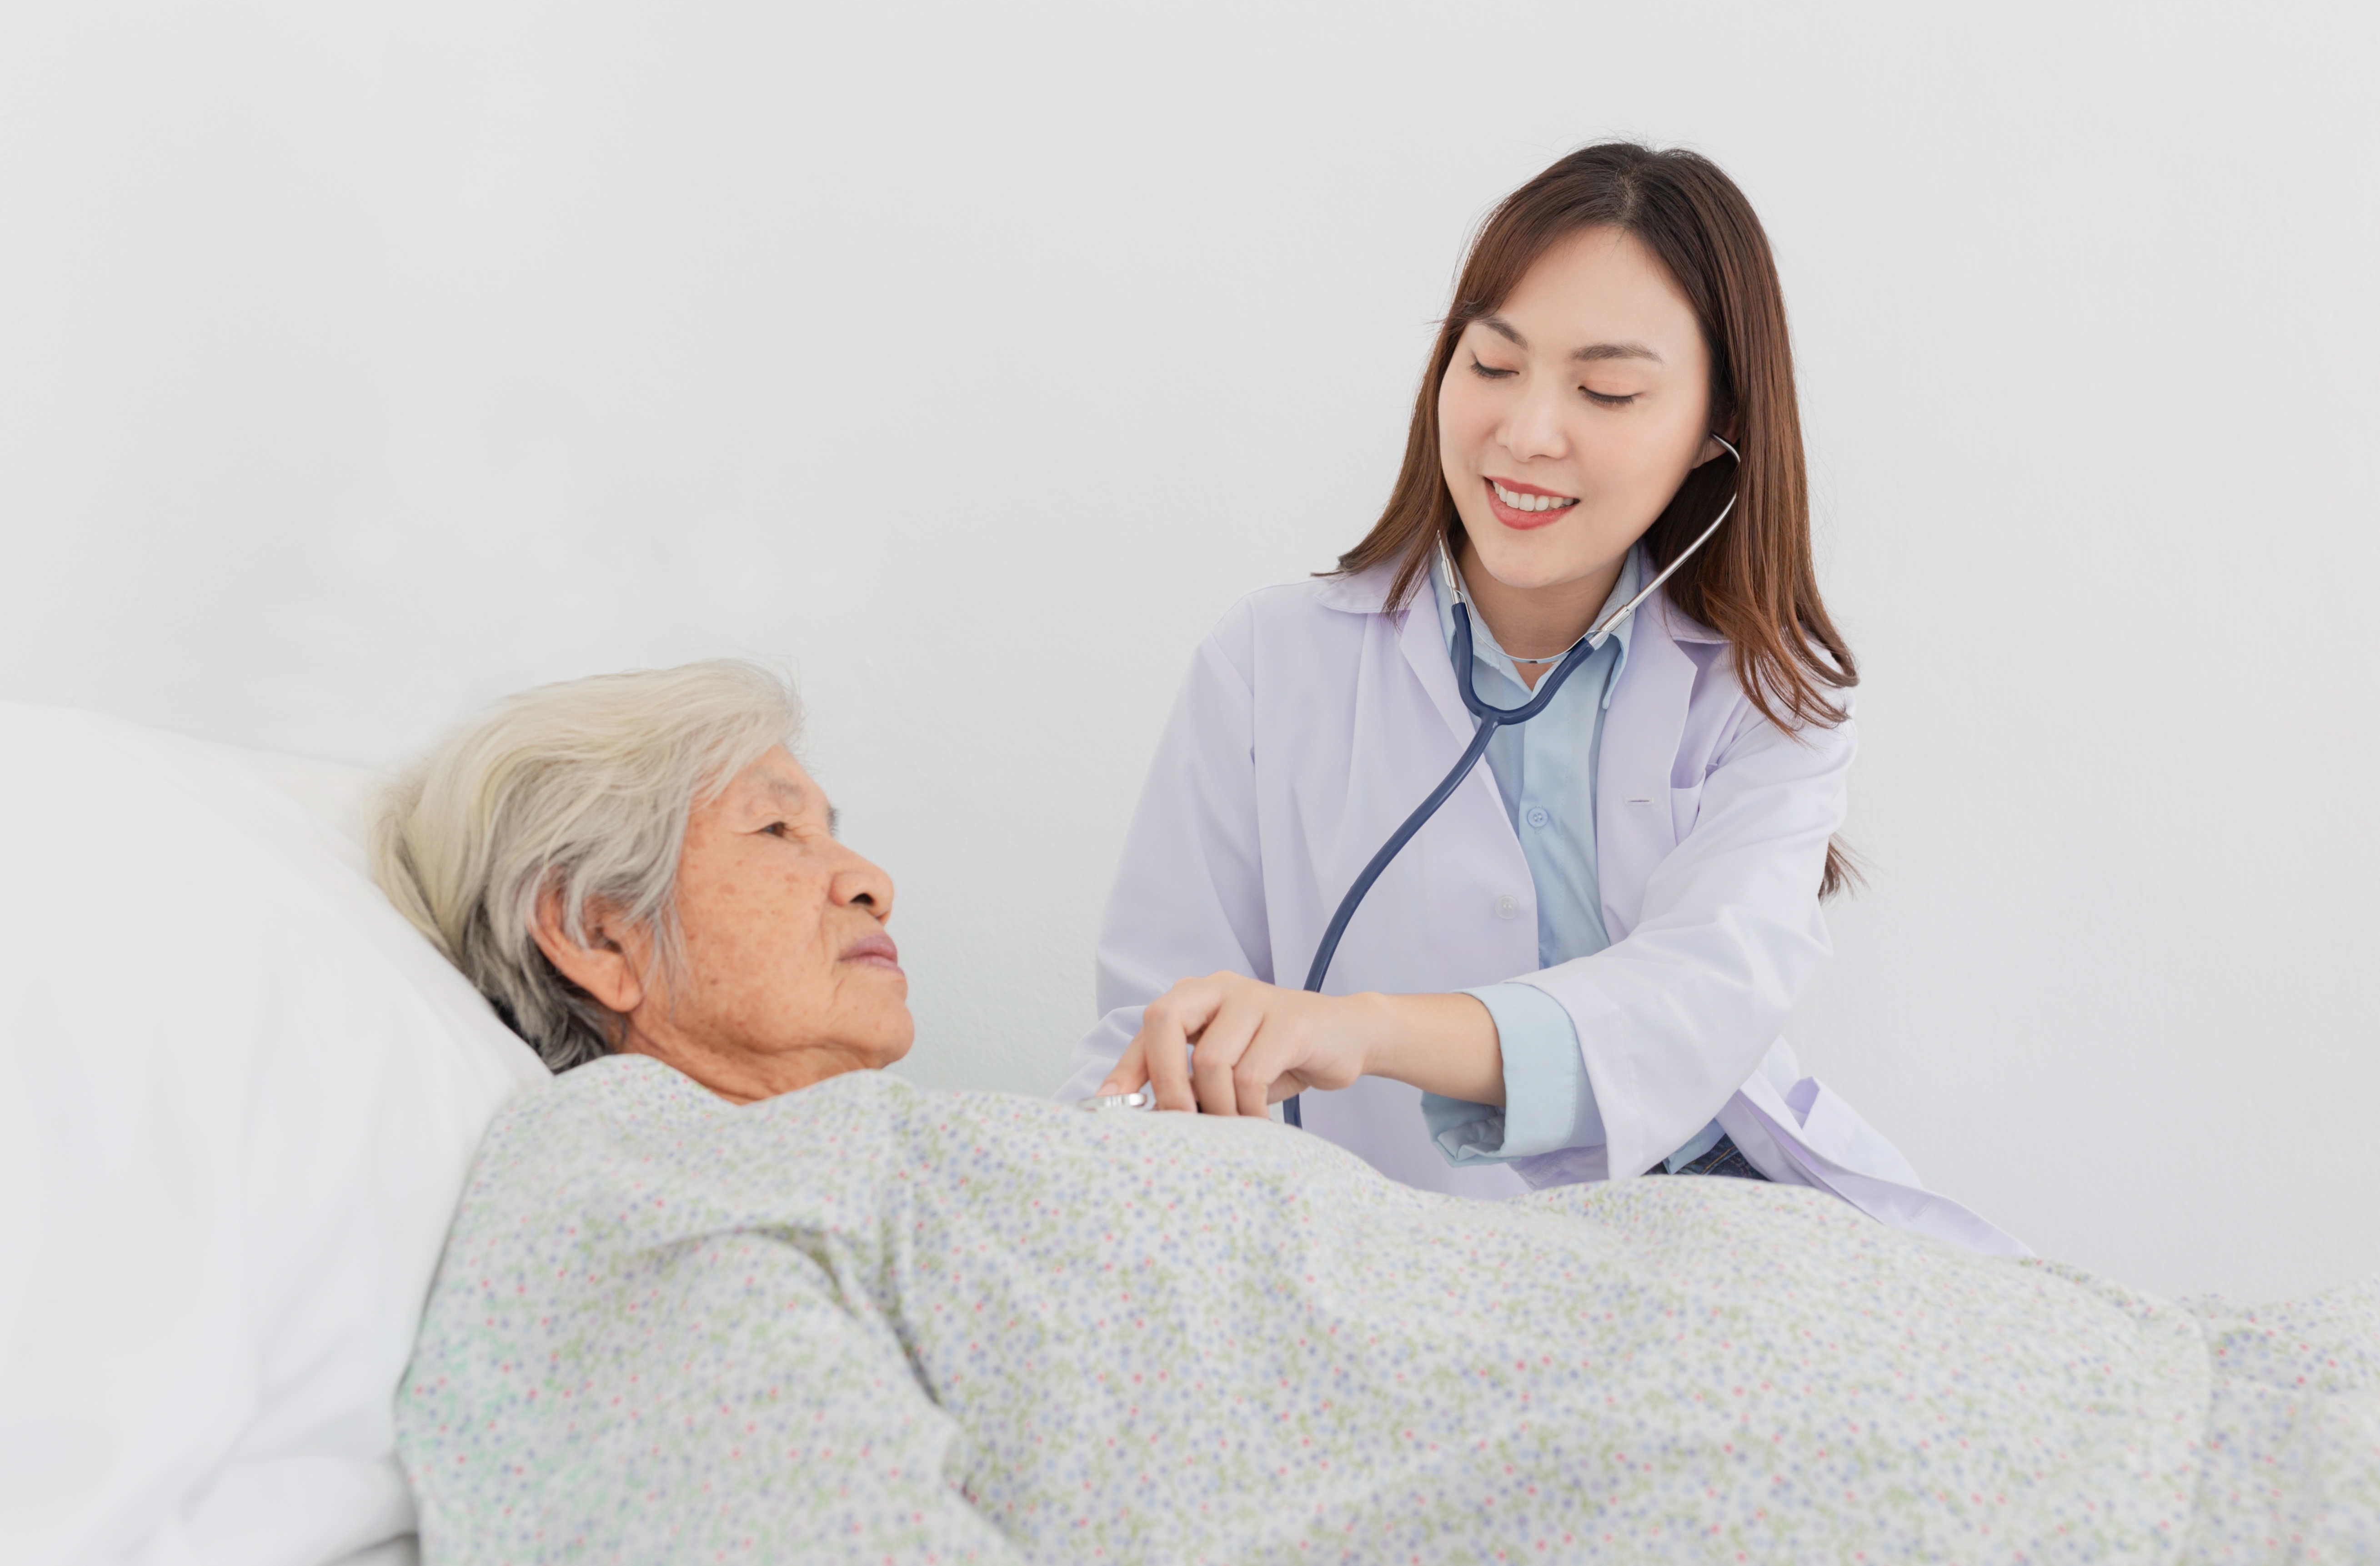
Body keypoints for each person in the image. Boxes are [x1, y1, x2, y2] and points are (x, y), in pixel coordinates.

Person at [377, 660, 2376, 1562]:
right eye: (782, 828)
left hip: (2132, 1393)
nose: (869, 872)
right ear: (595, 934)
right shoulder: (614, 1171)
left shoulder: (928, 1152)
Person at [1060, 143, 2004, 1250]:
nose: (1525, 433)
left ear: (1715, 429)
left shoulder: (1767, 695)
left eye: (1605, 389)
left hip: (1718, 1230)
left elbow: (1698, 994)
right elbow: (1149, 1027)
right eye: (1492, 364)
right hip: (1392, 1249)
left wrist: (1361, 1029)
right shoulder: (1270, 664)